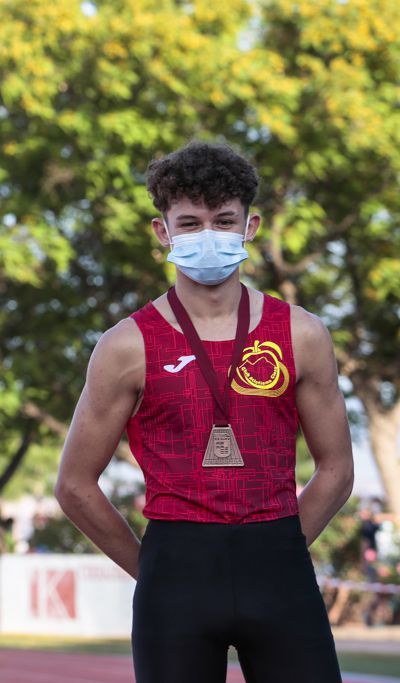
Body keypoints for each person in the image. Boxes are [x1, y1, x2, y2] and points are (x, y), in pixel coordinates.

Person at [55, 141, 354, 682]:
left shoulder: (301, 333)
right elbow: (74, 483)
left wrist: (279, 545)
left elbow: (336, 468)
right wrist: (153, 569)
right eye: (190, 223)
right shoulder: (127, 345)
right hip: (176, 572)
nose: (207, 235)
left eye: (223, 220)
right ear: (162, 231)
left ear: (251, 225)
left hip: (278, 563)